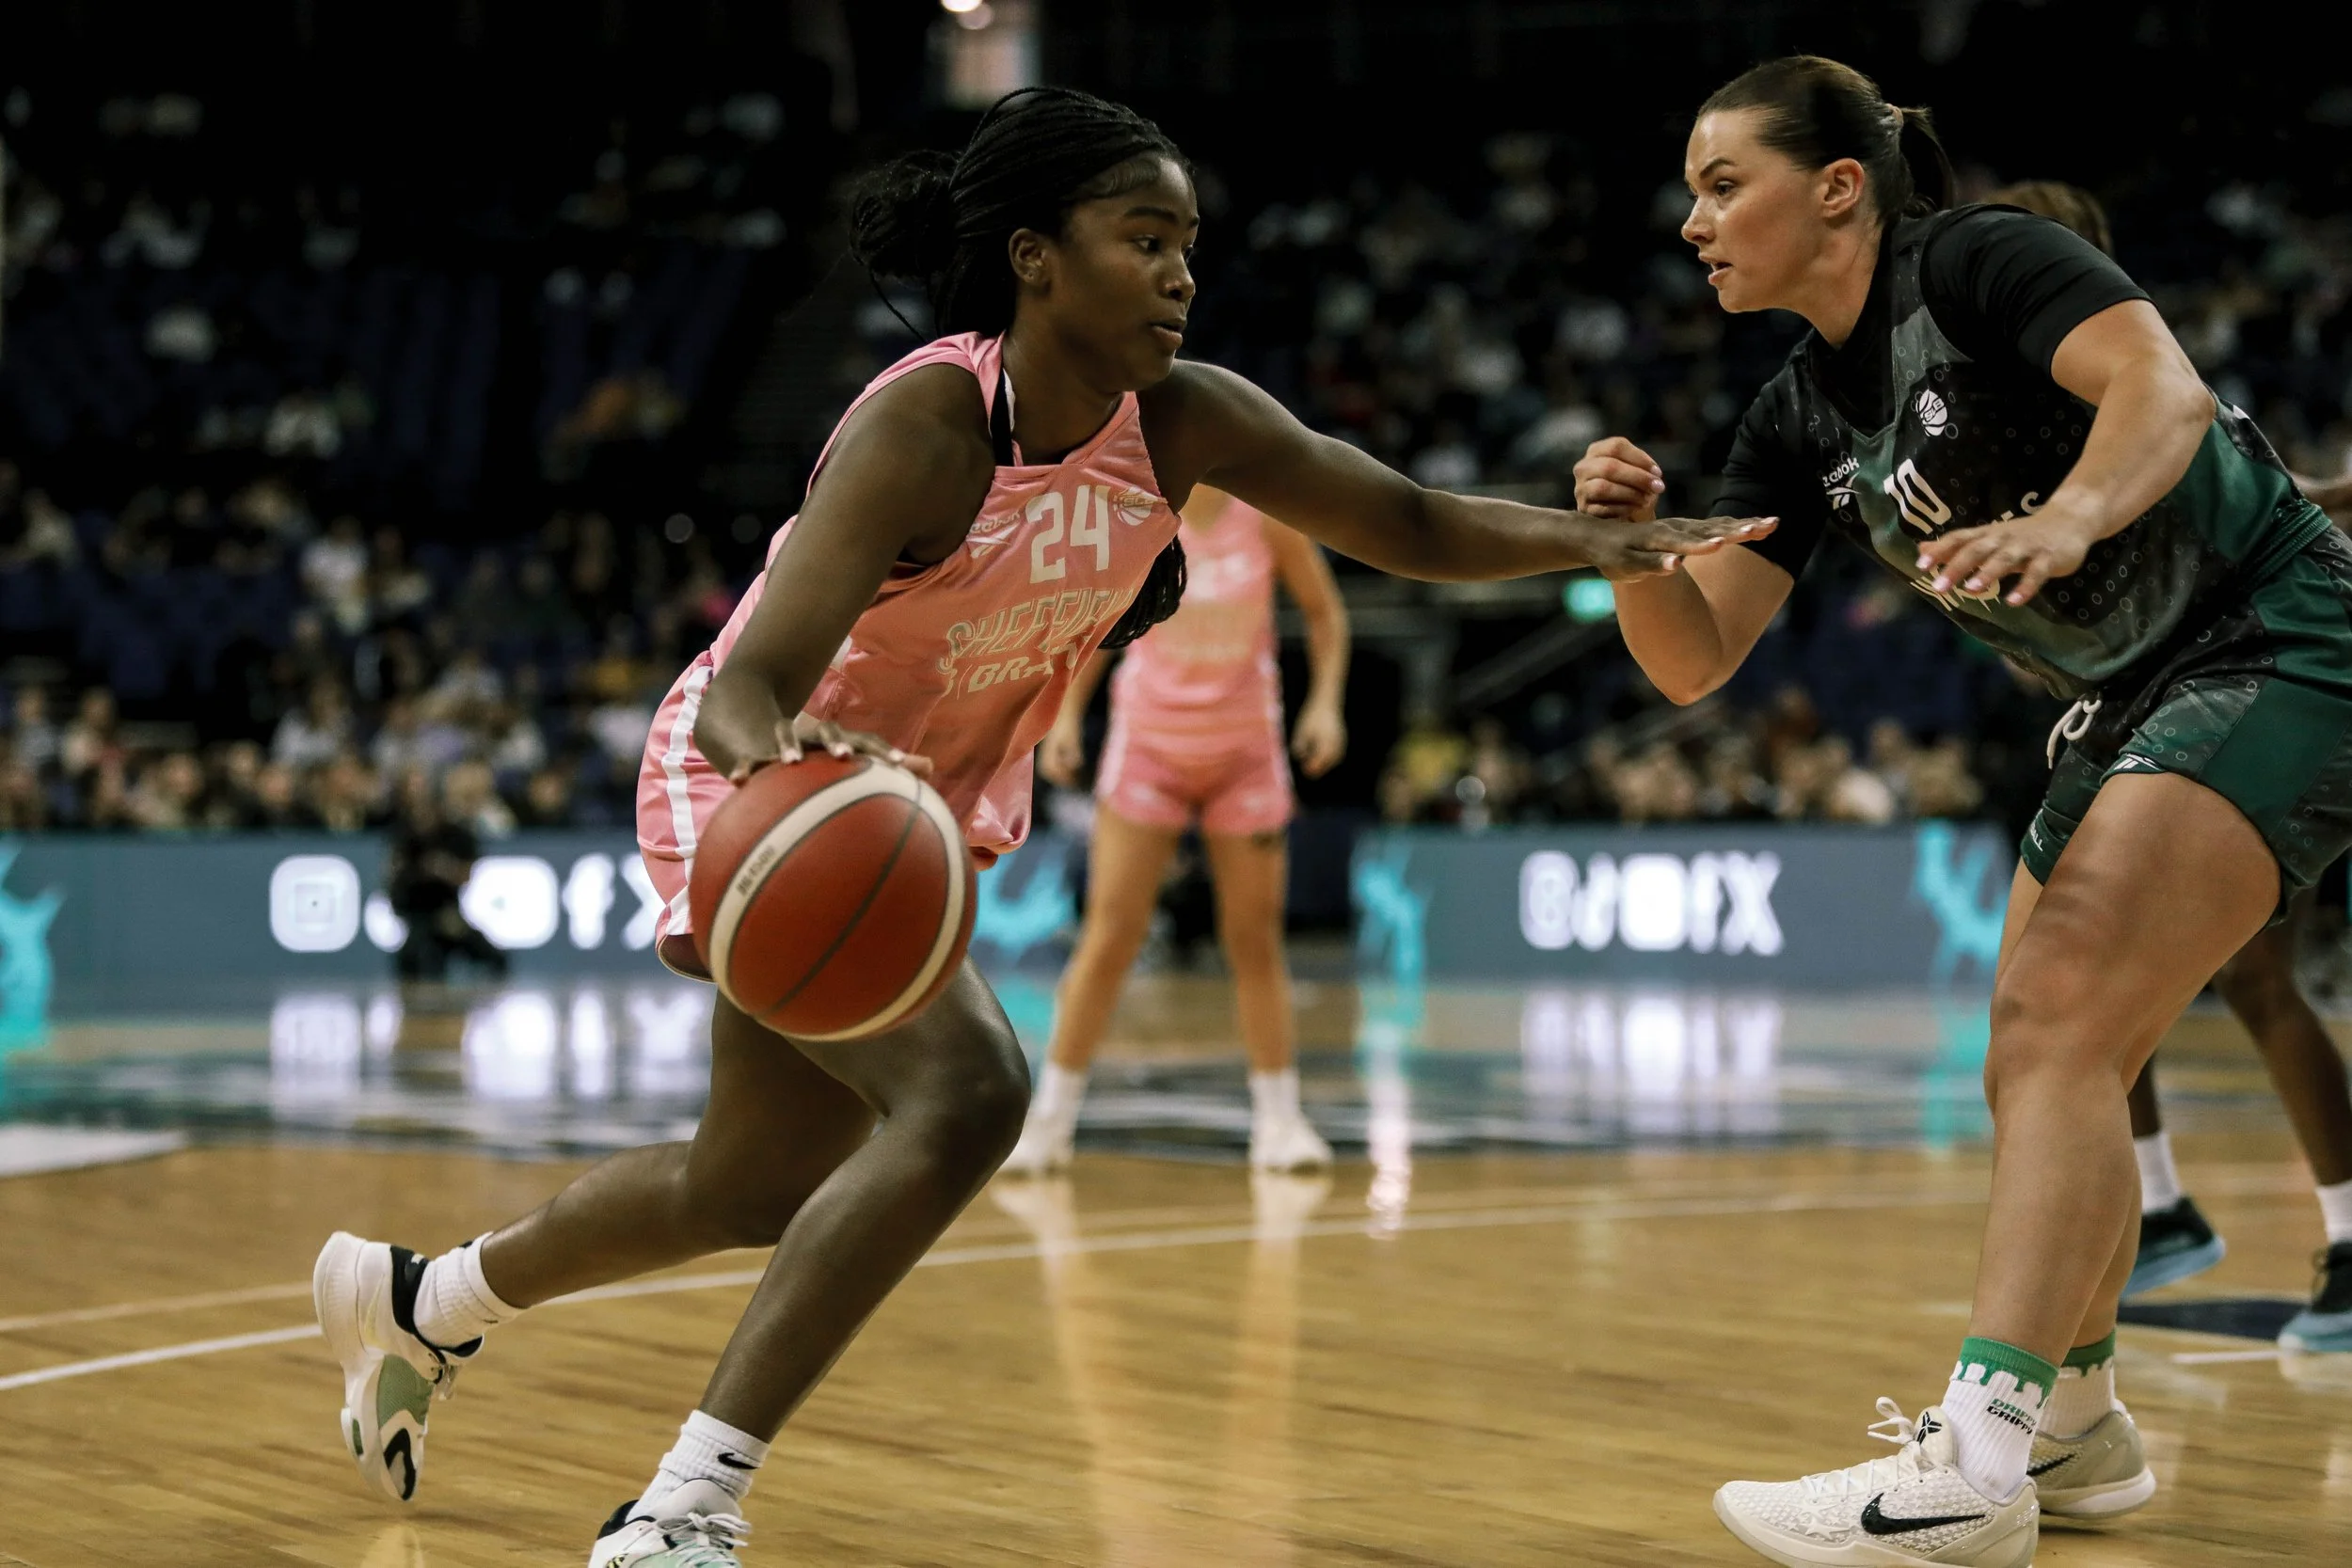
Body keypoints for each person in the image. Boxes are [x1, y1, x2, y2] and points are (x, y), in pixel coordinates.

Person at [312, 87, 1766, 1568]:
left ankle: (427, 1297)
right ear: (1034, 258)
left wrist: (1592, 541)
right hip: (762, 781)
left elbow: (1404, 519)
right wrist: (786, 773)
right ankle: (685, 1502)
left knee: (744, 1183)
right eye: (1145, 238)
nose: (1183, 273)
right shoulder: (926, 424)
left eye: (1189, 242)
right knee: (965, 1094)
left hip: (906, 811)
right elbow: (749, 679)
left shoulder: (1186, 417)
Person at [1574, 55, 2352, 1568]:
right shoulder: (1797, 416)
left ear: (1841, 187)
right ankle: (2076, 1423)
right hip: (2133, 695)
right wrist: (1623, 554)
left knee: (2062, 1015)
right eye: (1691, 192)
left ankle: (1975, 1463)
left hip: (2277, 634)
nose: (1693, 221)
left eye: (1724, 183)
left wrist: (2067, 515)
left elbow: (2163, 388)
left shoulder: (1982, 258)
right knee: (2048, 1044)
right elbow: (1697, 658)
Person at [1990, 180, 2352, 1349]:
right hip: (2169, 704)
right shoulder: (2008, 420)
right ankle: (2156, 1203)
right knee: (2076, 992)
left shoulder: (2138, 400)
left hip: (2274, 693)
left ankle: (2333, 1232)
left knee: (2221, 984)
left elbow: (2270, 517)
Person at [1005, 486, 1350, 1174]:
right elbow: (1102, 627)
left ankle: (1280, 1122)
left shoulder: (1269, 518)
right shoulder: (1142, 519)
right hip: (1148, 749)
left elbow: (1325, 614)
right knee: (1109, 936)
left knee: (1254, 940)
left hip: (1246, 750)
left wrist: (1324, 706)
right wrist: (1068, 718)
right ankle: (1048, 1124)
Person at [384, 768, 506, 983]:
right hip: (416, 916)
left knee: (494, 956)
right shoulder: (404, 835)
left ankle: (484, 1003)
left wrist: (444, 869)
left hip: (447, 913)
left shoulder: (457, 835)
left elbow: (465, 875)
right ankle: (417, 1011)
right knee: (419, 957)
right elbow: (392, 878)